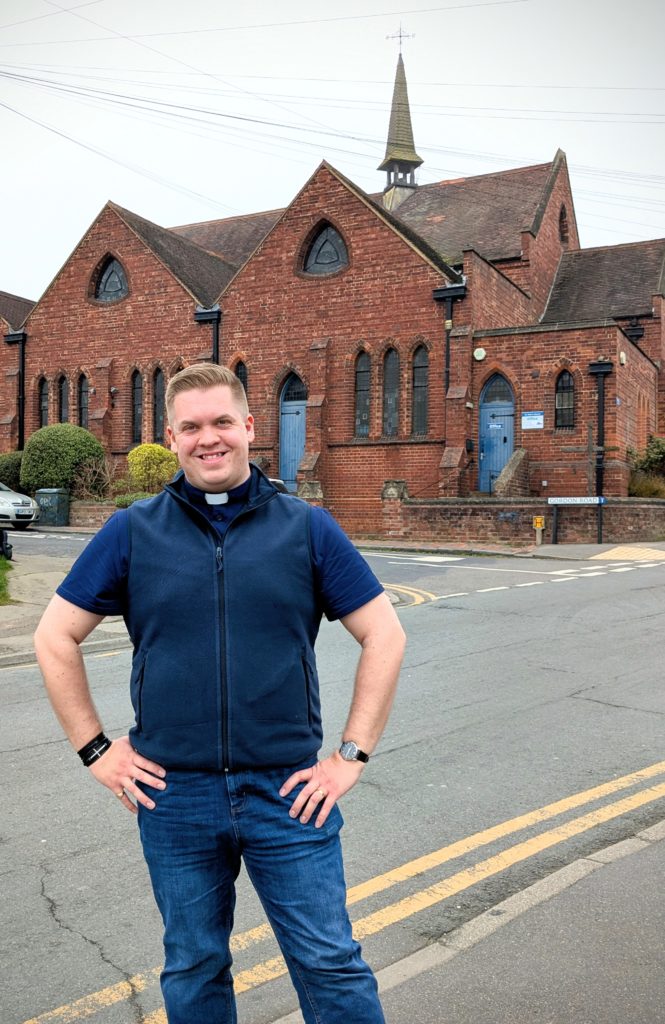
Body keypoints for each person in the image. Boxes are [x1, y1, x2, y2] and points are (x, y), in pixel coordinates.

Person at [34, 363, 406, 1024]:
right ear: (171, 439)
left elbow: (384, 633)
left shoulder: (307, 527)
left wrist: (350, 754)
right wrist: (95, 750)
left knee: (329, 963)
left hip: (287, 793)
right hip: (174, 796)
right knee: (195, 965)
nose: (210, 439)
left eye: (222, 423)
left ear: (249, 428)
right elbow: (54, 635)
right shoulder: (131, 531)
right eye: (192, 427)